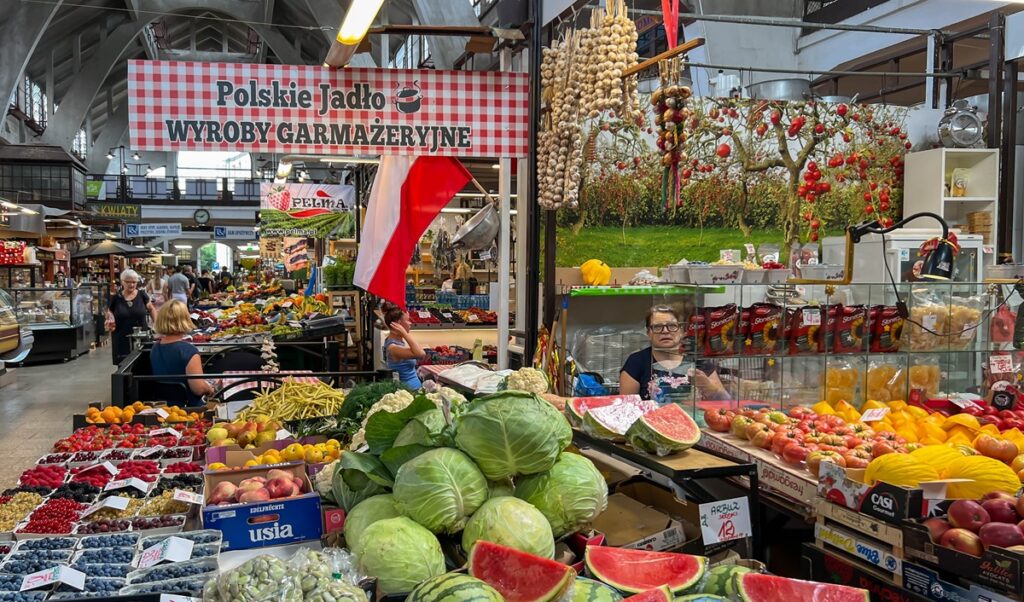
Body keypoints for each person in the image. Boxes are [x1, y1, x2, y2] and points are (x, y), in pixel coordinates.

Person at [619, 305, 730, 404]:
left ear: (682, 331)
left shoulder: (699, 360)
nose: (665, 331)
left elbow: (725, 403)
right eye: (657, 327)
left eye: (672, 326)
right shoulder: (636, 362)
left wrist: (709, 387)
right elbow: (626, 409)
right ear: (648, 333)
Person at [150, 300, 214, 407]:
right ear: (185, 320)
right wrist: (209, 388)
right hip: (189, 409)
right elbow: (198, 389)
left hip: (163, 406)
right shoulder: (189, 351)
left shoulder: (155, 348)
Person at [104, 269, 158, 364]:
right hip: (121, 338)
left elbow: (151, 309)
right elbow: (109, 312)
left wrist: (156, 326)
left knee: (143, 364)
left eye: (134, 282)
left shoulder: (142, 295)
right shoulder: (116, 298)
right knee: (124, 367)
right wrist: (110, 318)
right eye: (128, 282)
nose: (131, 285)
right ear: (122, 282)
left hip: (141, 337)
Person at [381, 302, 425, 389]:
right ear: (398, 323)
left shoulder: (398, 342)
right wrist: (405, 333)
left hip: (414, 389)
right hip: (408, 392)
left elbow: (419, 350)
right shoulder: (393, 347)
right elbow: (421, 354)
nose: (410, 323)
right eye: (408, 320)